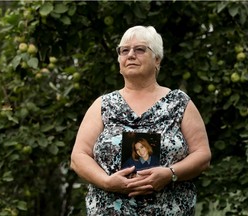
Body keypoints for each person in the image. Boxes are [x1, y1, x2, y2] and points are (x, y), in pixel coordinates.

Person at [70, 25, 211, 215]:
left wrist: (170, 174)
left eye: (140, 49)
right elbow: (78, 158)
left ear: (157, 60)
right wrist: (107, 182)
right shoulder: (103, 105)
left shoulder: (179, 102)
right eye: (124, 50)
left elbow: (202, 155)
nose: (130, 55)